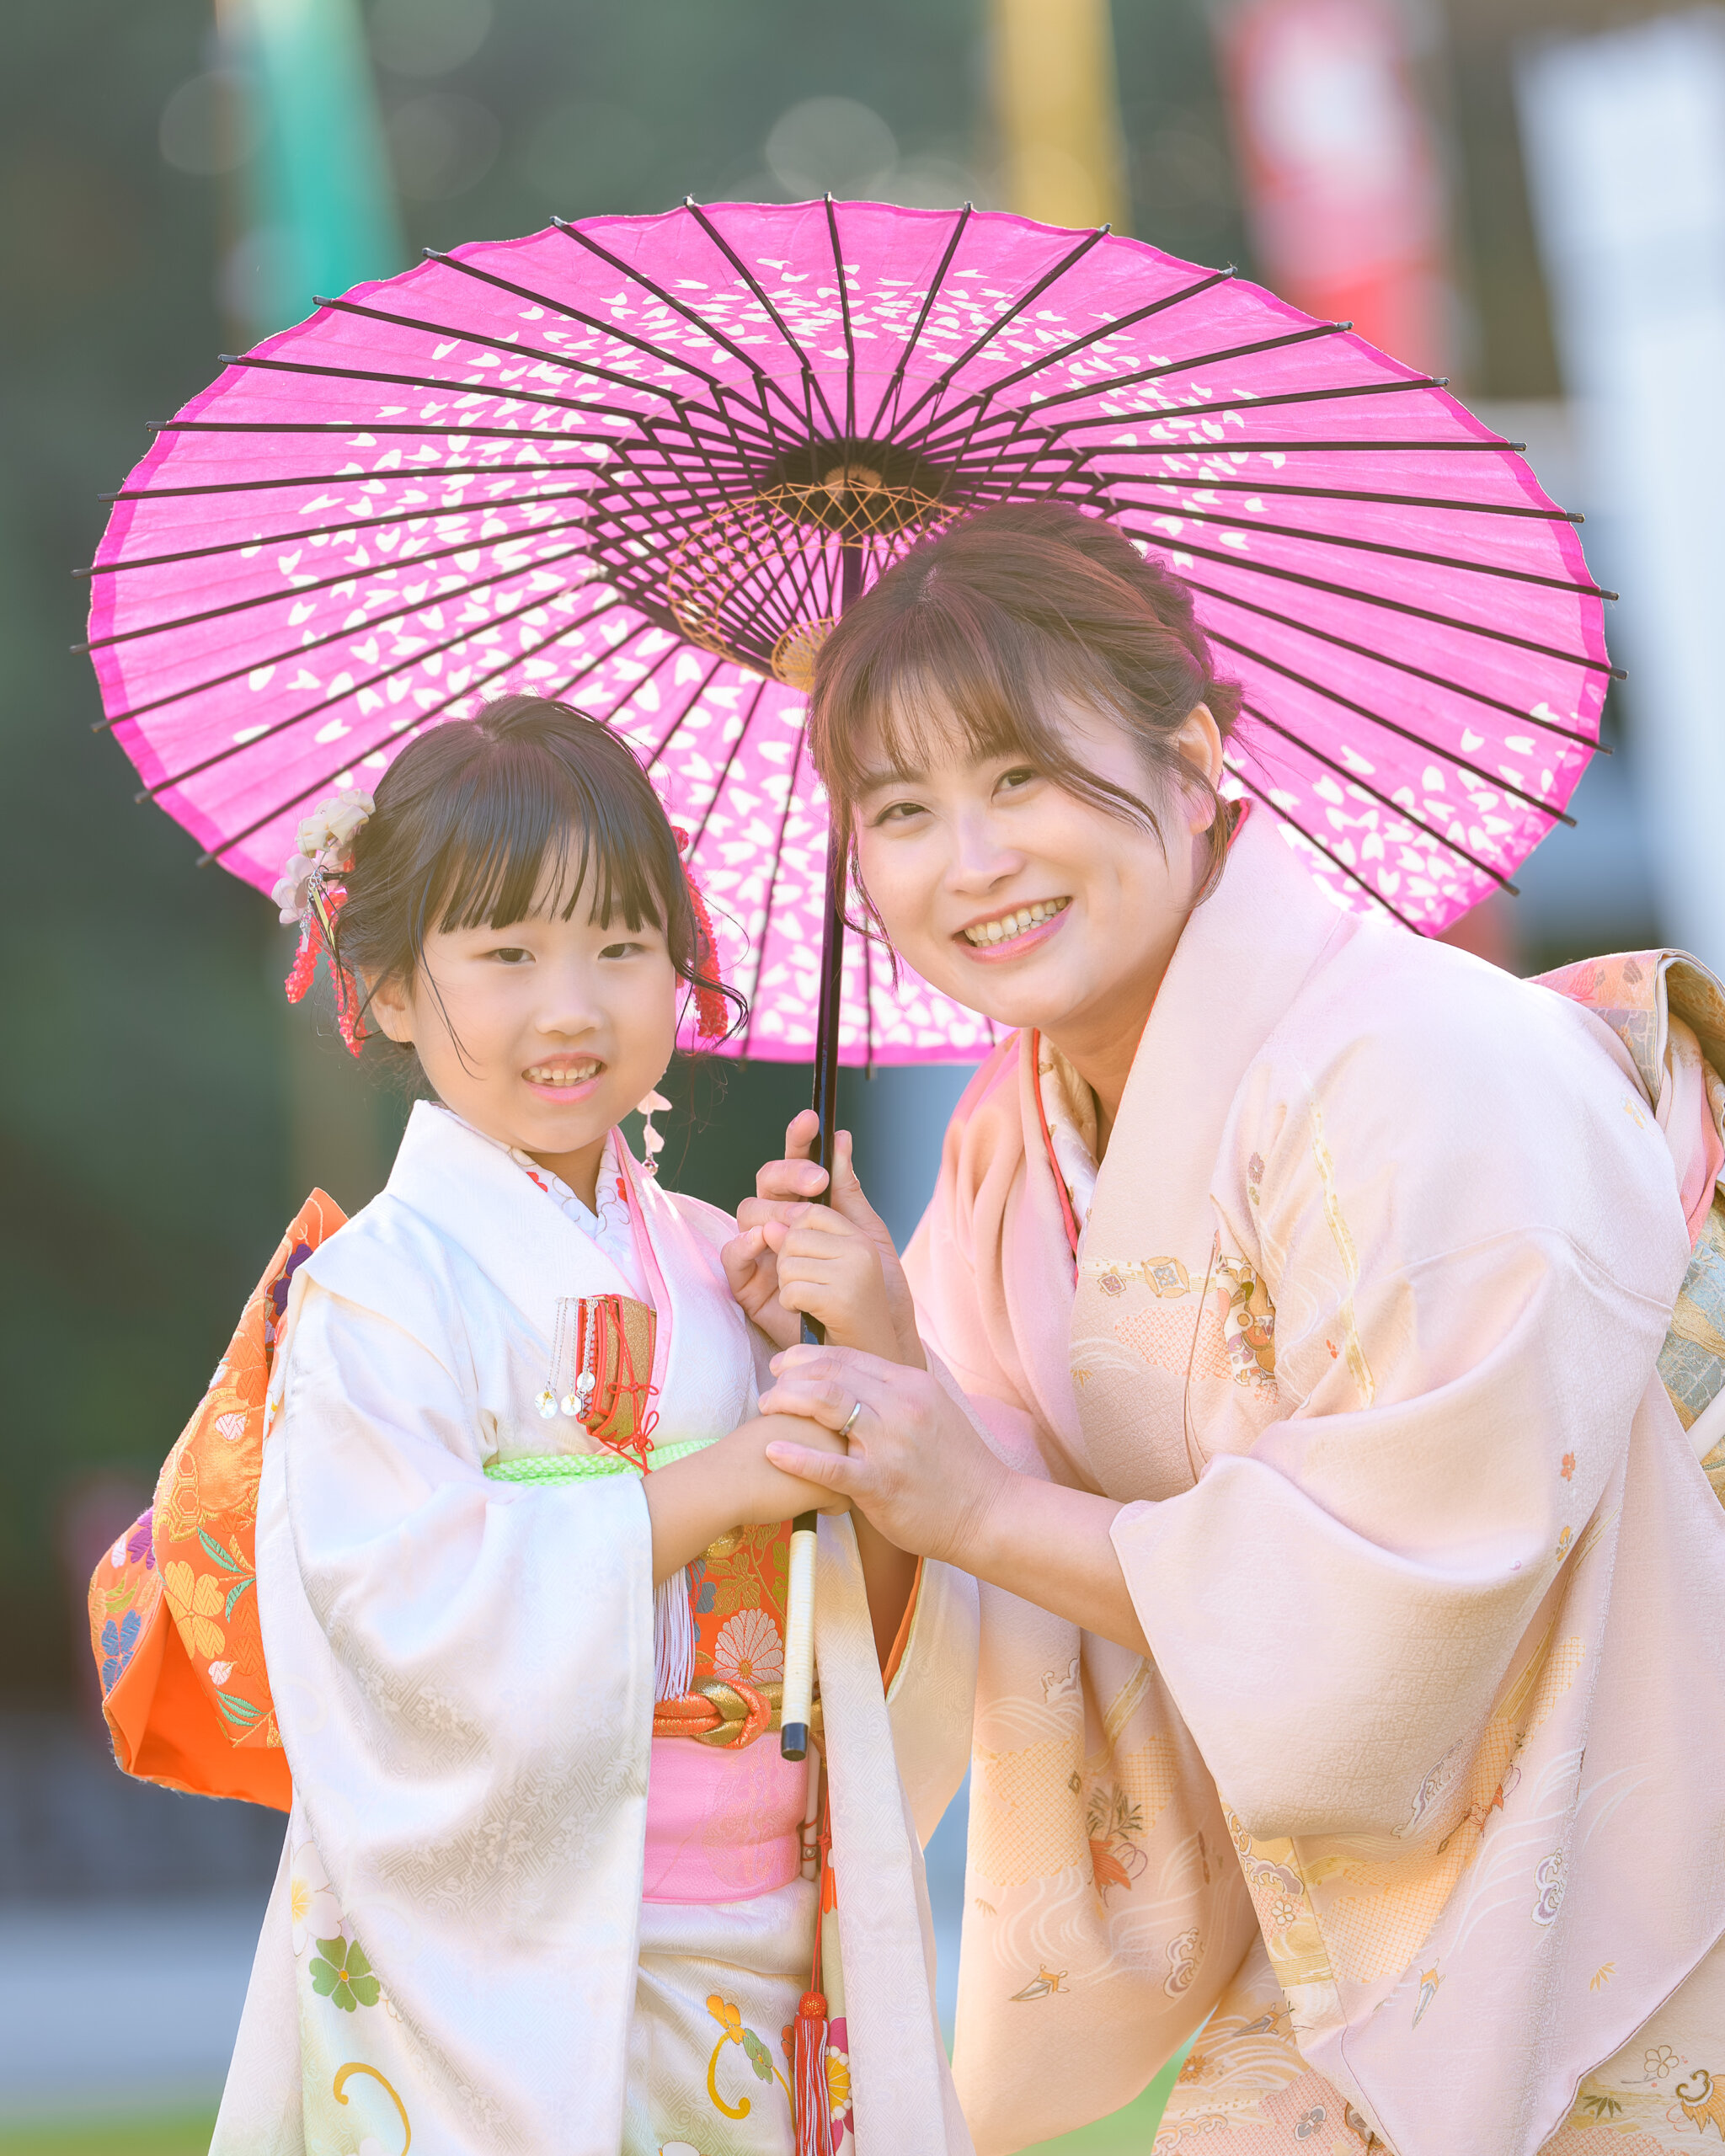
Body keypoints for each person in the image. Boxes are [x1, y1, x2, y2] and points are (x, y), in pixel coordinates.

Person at [736, 504, 1725, 2156]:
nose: (968, 860)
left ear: (1192, 755)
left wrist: (970, 1501)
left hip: (1623, 1892)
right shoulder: (1002, 1147)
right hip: (1339, 1934)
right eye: (898, 809)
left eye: (1021, 777)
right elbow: (991, 1586)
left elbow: (1388, 1606)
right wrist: (882, 1354)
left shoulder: (1427, 1065)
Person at [211, 696, 975, 2156]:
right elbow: (406, 1613)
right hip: (507, 1958)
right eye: (506, 955)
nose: (574, 1006)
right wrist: (716, 1484)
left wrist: (860, 1341)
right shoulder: (379, 1290)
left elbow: (856, 1627)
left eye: (621, 946)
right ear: (381, 987)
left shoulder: (716, 1264)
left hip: (753, 1934)